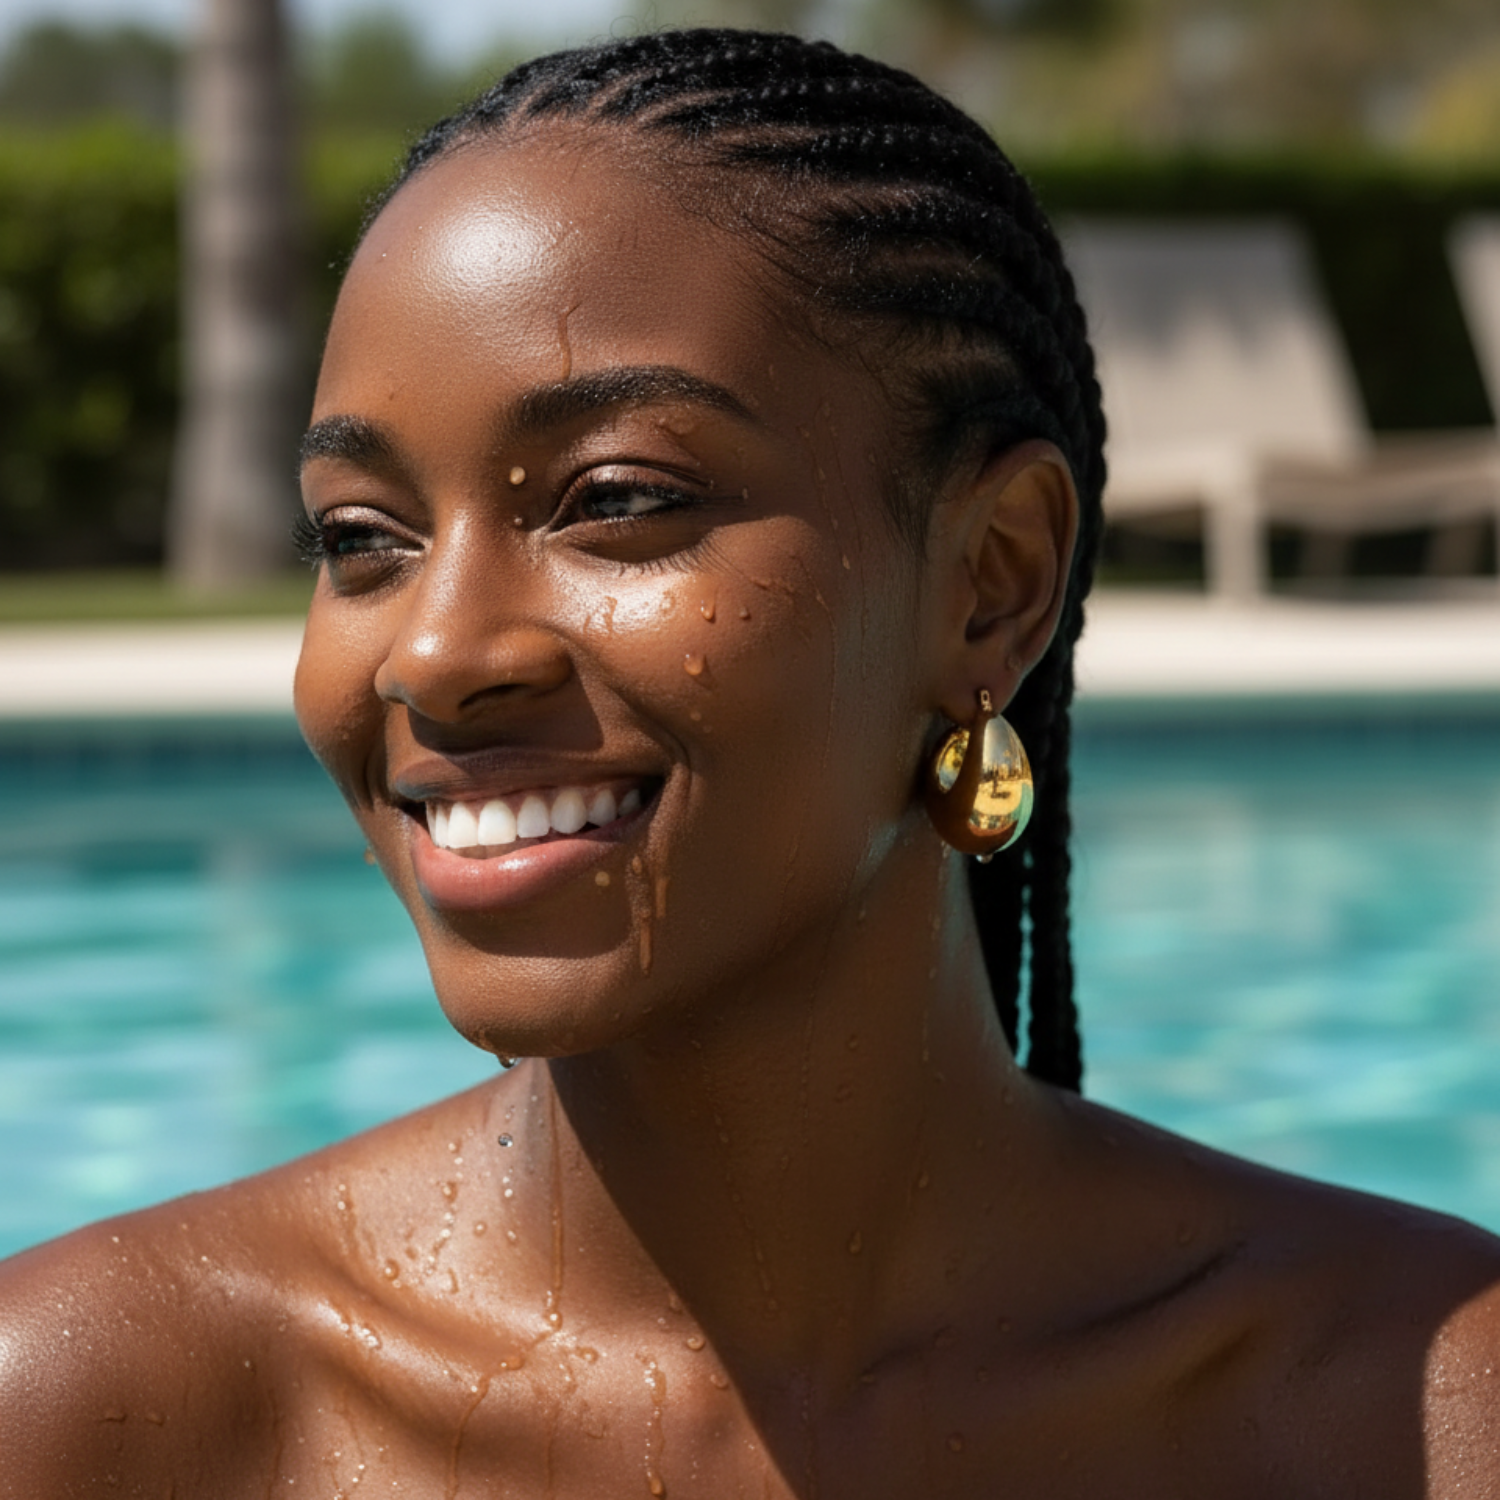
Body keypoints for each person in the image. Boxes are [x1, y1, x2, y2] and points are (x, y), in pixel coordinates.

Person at [2, 27, 1498, 1497]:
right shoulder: (106, 1413)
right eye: (360, 537)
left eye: (616, 499)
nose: (435, 654)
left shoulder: (1412, 1412)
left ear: (992, 583)